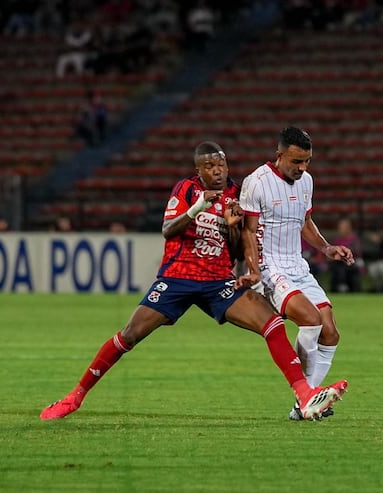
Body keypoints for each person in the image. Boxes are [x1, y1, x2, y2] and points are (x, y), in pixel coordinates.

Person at [40, 141, 348, 421]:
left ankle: (304, 394)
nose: (217, 171)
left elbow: (238, 247)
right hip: (178, 278)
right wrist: (197, 208)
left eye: (221, 165)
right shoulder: (186, 189)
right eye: (209, 166)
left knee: (273, 324)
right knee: (129, 335)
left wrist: (232, 226)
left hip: (217, 281)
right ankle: (75, 396)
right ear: (198, 170)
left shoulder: (236, 193)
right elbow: (168, 230)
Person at [239, 126, 356, 421]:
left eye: (307, 161)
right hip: (270, 268)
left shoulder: (307, 182)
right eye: (296, 161)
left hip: (297, 266)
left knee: (330, 332)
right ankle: (307, 396)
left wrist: (327, 248)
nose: (302, 168)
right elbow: (248, 232)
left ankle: (305, 402)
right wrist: (253, 270)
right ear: (279, 155)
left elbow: (305, 222)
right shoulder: (257, 182)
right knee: (311, 319)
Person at [329, 218, 363, 293]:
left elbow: (356, 252)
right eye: (340, 227)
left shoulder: (354, 239)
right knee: (337, 267)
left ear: (349, 228)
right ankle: (338, 287)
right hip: (338, 262)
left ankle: (346, 286)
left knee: (344, 267)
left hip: (352, 262)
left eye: (343, 227)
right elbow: (331, 252)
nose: (340, 229)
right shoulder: (337, 240)